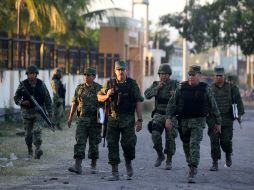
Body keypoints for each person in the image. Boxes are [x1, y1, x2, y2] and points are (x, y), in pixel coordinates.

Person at [165, 65, 221, 183]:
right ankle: (191, 164)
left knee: (194, 144)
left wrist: (218, 122)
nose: (190, 77)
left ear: (199, 76)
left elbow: (213, 106)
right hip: (183, 121)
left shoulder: (205, 89)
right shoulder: (181, 88)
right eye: (189, 75)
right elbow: (171, 104)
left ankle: (192, 169)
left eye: (193, 75)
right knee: (186, 145)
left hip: (198, 121)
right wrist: (168, 118)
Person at [97, 60, 144, 181]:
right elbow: (99, 97)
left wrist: (139, 120)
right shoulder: (110, 83)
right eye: (118, 69)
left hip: (128, 119)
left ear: (126, 70)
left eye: (123, 69)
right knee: (112, 144)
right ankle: (114, 172)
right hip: (112, 119)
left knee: (128, 144)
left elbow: (138, 101)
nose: (121, 72)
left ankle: (128, 162)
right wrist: (107, 95)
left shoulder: (132, 84)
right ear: (115, 71)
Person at [207, 67, 245, 171]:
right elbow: (205, 104)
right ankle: (215, 163)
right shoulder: (209, 89)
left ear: (224, 76)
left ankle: (228, 153)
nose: (219, 77)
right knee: (214, 141)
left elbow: (239, 101)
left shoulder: (232, 88)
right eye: (217, 76)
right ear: (214, 77)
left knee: (225, 141)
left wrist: (239, 114)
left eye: (221, 76)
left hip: (227, 120)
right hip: (213, 120)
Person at [67, 67, 102, 175]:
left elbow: (103, 106)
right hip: (82, 120)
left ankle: (93, 164)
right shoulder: (79, 88)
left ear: (94, 77)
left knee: (94, 143)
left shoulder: (99, 88)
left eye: (89, 75)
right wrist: (70, 117)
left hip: (95, 121)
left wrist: (102, 121)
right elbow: (75, 103)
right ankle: (78, 165)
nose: (86, 77)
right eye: (85, 75)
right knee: (80, 142)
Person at [14, 64, 52, 159]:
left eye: (33, 73)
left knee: (37, 130)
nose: (31, 75)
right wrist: (22, 102)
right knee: (28, 135)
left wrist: (50, 113)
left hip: (38, 112)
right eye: (30, 73)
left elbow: (47, 99)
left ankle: (38, 149)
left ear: (36, 74)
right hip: (27, 114)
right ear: (27, 74)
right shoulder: (23, 85)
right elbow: (16, 97)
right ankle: (30, 149)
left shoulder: (41, 84)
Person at [144, 64, 178, 170]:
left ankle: (169, 159)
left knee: (170, 138)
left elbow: (183, 95)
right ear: (159, 75)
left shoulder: (174, 84)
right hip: (159, 114)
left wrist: (176, 94)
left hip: (171, 115)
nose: (163, 76)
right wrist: (157, 89)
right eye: (161, 74)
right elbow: (146, 95)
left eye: (166, 74)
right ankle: (160, 155)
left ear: (169, 75)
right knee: (155, 134)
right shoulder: (156, 84)